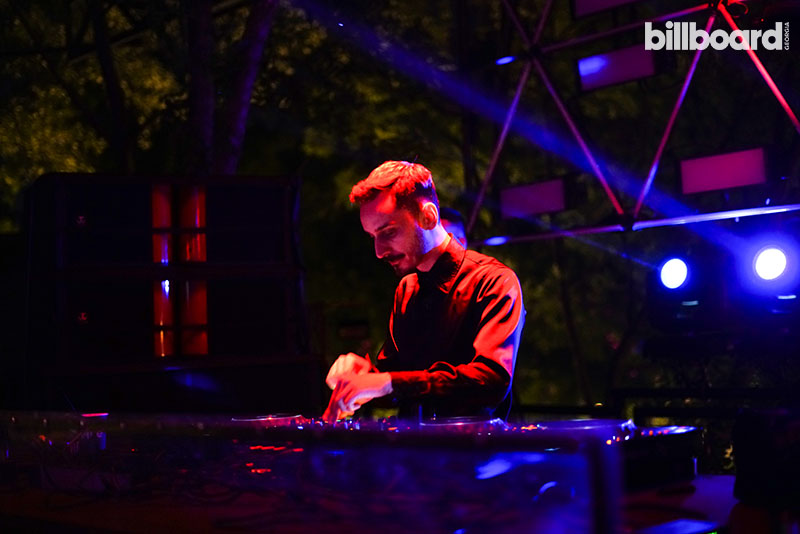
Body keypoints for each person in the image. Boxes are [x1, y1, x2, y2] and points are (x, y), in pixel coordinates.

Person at [323, 161, 525, 422]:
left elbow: (490, 382)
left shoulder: (493, 280)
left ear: (428, 216)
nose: (379, 251)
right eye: (373, 236)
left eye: (388, 232)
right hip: (414, 446)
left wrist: (387, 382)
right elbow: (396, 383)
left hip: (475, 446)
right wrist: (365, 375)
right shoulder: (406, 290)